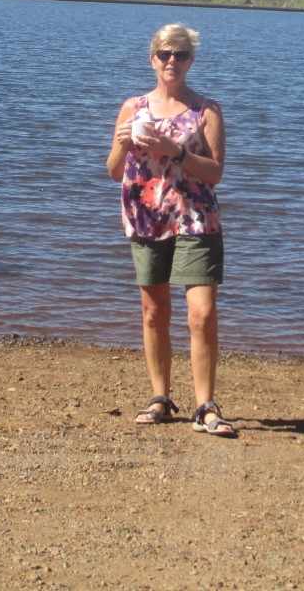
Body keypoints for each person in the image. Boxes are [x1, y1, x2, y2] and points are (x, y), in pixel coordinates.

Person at [106, 23, 235, 437]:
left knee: (202, 313)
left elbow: (215, 173)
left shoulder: (206, 110)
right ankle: (160, 398)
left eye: (180, 54)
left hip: (196, 218)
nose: (172, 61)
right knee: (154, 312)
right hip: (147, 219)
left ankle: (206, 407)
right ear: (152, 59)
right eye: (165, 53)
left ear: (191, 60)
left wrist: (174, 150)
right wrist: (123, 145)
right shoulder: (134, 108)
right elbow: (113, 172)